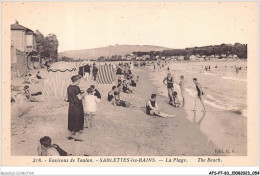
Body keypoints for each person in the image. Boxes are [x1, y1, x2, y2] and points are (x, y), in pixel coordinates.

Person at [67, 75, 84, 141]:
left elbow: (66, 98)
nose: (79, 82)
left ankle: (70, 135)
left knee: (71, 119)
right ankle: (77, 137)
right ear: (76, 81)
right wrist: (82, 94)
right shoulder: (76, 88)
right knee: (78, 120)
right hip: (77, 106)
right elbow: (79, 97)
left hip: (71, 106)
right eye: (79, 80)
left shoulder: (69, 87)